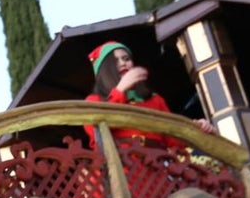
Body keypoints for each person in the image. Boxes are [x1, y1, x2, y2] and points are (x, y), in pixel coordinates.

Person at [84, 41, 216, 150]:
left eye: (126, 59)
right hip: (121, 171)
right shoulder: (93, 101)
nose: (123, 63)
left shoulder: (155, 99)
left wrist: (196, 130)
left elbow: (172, 139)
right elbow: (95, 131)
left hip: (156, 172)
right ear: (105, 70)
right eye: (115, 60)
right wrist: (120, 90)